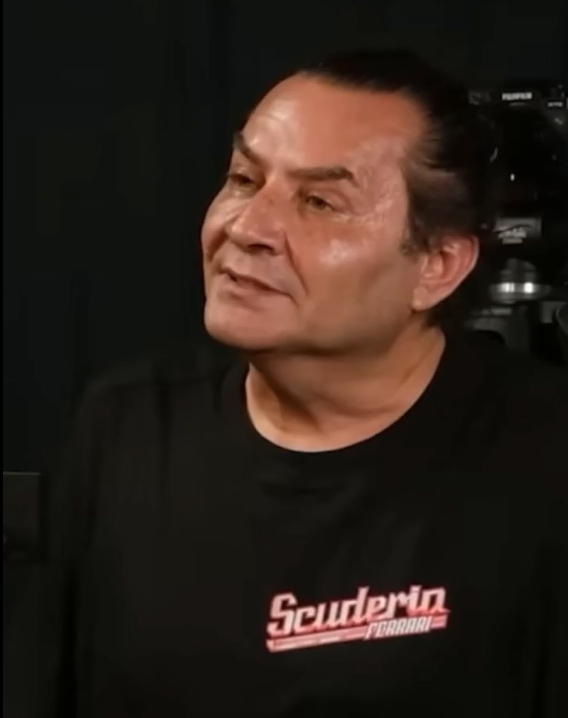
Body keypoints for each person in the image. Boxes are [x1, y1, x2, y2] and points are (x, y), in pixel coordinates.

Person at [18, 50, 568, 717]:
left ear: (437, 264)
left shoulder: (544, 457)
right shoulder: (126, 427)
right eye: (244, 179)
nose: (246, 228)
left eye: (319, 201)